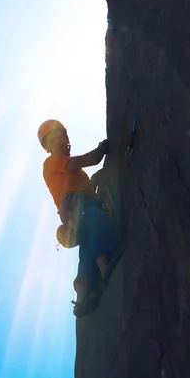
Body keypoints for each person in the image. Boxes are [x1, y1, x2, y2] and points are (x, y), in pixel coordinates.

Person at [37, 119, 120, 317]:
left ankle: (83, 295)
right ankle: (104, 265)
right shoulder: (52, 163)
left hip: (76, 211)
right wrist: (101, 150)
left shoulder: (75, 173)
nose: (58, 140)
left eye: (60, 135)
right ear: (47, 148)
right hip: (76, 204)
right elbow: (83, 160)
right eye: (52, 139)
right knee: (95, 219)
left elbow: (88, 183)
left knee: (86, 247)